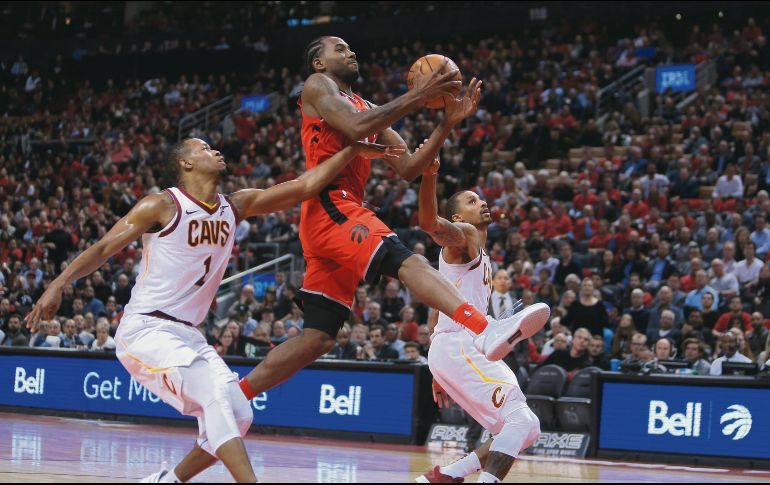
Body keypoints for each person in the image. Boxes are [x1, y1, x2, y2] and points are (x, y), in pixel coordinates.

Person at [25, 136, 399, 483]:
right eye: (204, 148)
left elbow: (303, 186)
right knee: (216, 398)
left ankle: (168, 480)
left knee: (239, 413)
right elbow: (104, 248)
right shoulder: (162, 204)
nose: (215, 151)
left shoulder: (235, 205)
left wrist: (352, 150)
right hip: (146, 329)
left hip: (189, 333)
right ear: (186, 164)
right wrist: (58, 283)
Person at [240, 36, 543, 405]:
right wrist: (417, 96)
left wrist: (446, 124)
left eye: (351, 48)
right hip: (332, 205)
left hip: (330, 217)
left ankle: (235, 394)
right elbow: (353, 127)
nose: (350, 52)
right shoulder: (318, 86)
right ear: (318, 63)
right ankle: (485, 328)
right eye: (339, 49)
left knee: (318, 336)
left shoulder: (368, 107)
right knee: (407, 259)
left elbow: (408, 166)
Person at [416, 151, 548, 484]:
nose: (483, 202)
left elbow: (439, 303)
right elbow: (430, 224)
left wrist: (439, 370)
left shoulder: (479, 252)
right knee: (519, 420)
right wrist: (429, 176)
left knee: (526, 427)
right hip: (460, 345)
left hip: (457, 347)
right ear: (459, 216)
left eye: (482, 199)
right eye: (473, 201)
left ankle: (450, 473)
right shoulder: (463, 236)